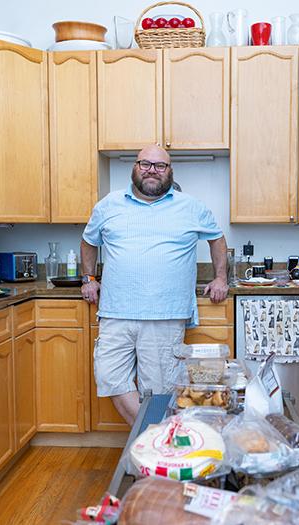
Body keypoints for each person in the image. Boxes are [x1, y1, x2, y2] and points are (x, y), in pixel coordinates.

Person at [80, 145, 229, 424]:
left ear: (170, 172)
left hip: (164, 315)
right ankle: (158, 438)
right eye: (145, 164)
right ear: (134, 168)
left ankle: (155, 448)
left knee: (158, 390)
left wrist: (221, 277)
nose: (152, 170)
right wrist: (89, 278)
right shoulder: (108, 205)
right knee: (110, 377)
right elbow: (89, 241)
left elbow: (217, 239)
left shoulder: (191, 207)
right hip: (115, 312)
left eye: (160, 166)